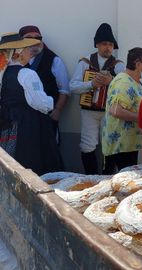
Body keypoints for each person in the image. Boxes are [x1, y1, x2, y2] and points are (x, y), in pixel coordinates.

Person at [0, 32, 62, 175]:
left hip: (8, 124)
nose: (30, 52)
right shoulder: (27, 74)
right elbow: (39, 103)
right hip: (29, 125)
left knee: (12, 161)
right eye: (26, 49)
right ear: (19, 53)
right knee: (33, 163)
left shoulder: (4, 73)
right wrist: (50, 102)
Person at [70, 23, 125, 175]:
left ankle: (107, 178)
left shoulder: (119, 66)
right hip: (89, 111)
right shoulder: (85, 62)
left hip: (110, 112)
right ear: (97, 45)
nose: (108, 47)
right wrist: (91, 84)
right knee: (87, 145)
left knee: (110, 144)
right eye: (104, 44)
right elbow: (73, 87)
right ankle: (92, 178)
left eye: (110, 44)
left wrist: (111, 82)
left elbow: (126, 90)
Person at [101, 47, 142, 173]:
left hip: (129, 143)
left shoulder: (136, 82)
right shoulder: (124, 82)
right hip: (120, 146)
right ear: (138, 64)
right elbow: (116, 111)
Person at [19, 25, 70, 147]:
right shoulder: (16, 61)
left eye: (38, 37)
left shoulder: (54, 60)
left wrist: (57, 110)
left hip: (47, 115)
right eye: (29, 38)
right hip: (23, 117)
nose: (34, 40)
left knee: (49, 149)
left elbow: (65, 90)